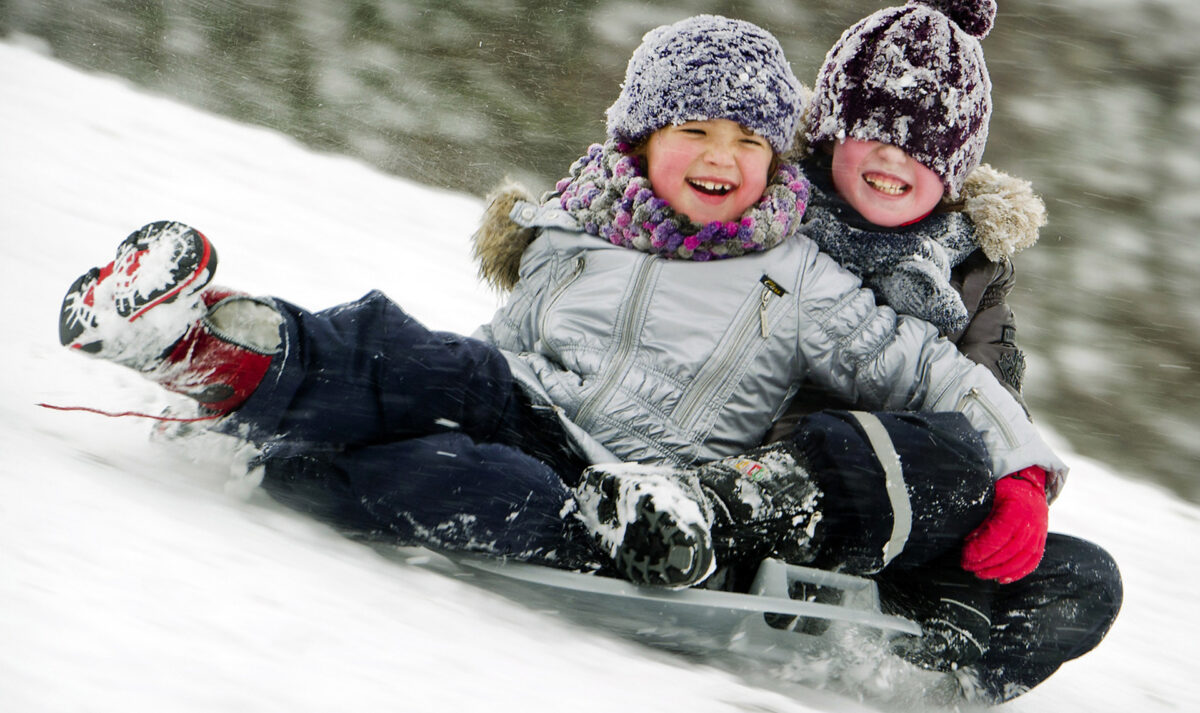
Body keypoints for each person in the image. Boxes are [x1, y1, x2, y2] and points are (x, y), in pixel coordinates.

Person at [59, 12, 1078, 703]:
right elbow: (507, 345)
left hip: (630, 478)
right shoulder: (578, 225)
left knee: (487, 485)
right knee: (410, 351)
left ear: (780, 160)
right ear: (637, 140)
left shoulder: (800, 271)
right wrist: (414, 381)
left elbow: (944, 380)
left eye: (747, 140)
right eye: (693, 129)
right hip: (524, 393)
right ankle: (209, 344)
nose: (721, 156)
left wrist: (1024, 472)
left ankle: (324, 463)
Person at [526, 2, 1119, 704]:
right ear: (830, 131)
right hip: (741, 464)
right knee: (868, 444)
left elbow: (984, 400)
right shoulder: (768, 206)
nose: (895, 157)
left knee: (1083, 578)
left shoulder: (972, 276)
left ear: (956, 169)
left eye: (925, 145)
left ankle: (913, 675)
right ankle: (704, 521)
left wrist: (1016, 490)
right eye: (871, 131)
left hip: (898, 513)